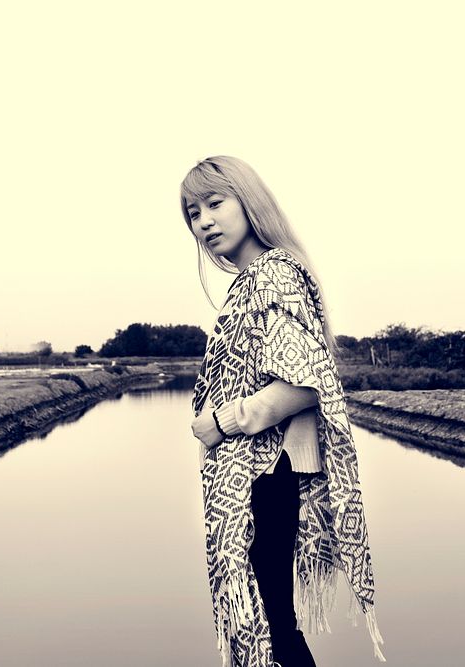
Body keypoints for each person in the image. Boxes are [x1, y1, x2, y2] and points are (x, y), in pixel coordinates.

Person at [182, 156, 385, 667]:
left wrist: (223, 421)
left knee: (274, 628)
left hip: (265, 474)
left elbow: (303, 383)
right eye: (191, 211)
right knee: (275, 622)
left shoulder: (272, 275)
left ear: (249, 201)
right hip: (266, 474)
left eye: (214, 202)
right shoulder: (261, 275)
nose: (202, 220)